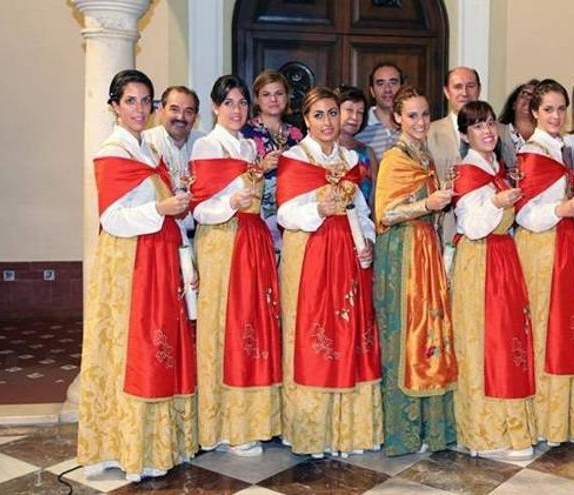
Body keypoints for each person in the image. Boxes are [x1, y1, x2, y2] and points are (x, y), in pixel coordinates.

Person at [77, 69, 197, 482]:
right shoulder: (113, 153)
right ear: (114, 105)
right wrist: (159, 211)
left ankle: (157, 445)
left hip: (157, 259)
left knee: (158, 348)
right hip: (131, 265)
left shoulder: (147, 149)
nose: (139, 109)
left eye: (146, 101)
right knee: (136, 352)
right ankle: (126, 447)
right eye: (131, 101)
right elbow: (112, 219)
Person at [276, 87, 382, 457]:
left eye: (333, 113)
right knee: (315, 336)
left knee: (351, 332)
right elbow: (286, 215)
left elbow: (363, 211)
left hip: (348, 255)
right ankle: (313, 432)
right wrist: (319, 209)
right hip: (311, 256)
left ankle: (349, 430)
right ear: (306, 119)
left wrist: (367, 241)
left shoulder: (351, 159)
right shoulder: (294, 159)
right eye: (319, 115)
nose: (327, 122)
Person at [189, 75, 282, 456]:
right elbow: (199, 208)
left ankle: (254, 420)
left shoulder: (247, 147)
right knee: (224, 329)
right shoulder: (207, 147)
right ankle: (225, 426)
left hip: (253, 242)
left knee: (254, 329)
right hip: (222, 245)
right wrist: (231, 202)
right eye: (229, 103)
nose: (237, 109)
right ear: (214, 107)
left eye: (242, 102)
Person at [373, 86, 457, 456]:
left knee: (431, 334)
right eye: (412, 116)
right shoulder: (395, 157)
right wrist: (427, 202)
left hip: (426, 247)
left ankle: (432, 428)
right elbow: (385, 214)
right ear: (397, 119)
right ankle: (404, 432)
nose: (420, 122)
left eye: (425, 115)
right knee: (409, 336)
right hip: (404, 251)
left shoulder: (423, 154)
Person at [451, 100, 537, 459]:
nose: (486, 131)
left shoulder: (499, 169)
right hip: (480, 259)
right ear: (465, 134)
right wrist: (498, 204)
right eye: (477, 126)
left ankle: (512, 427)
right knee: (486, 344)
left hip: (503, 256)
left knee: (508, 340)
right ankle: (485, 433)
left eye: (489, 124)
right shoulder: (467, 174)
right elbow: (470, 227)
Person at [514, 79, 574, 446]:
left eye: (562, 108)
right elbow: (526, 214)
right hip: (542, 247)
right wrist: (562, 209)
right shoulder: (533, 154)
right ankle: (546, 419)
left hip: (564, 242)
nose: (556, 115)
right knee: (547, 329)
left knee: (568, 325)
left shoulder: (564, 148)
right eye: (548, 109)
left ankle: (567, 420)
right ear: (534, 112)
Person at [428, 67, 516, 242]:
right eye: (458, 87)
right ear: (446, 91)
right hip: (445, 230)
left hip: (498, 229)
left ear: (479, 89)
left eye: (470, 86)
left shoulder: (502, 131)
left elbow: (512, 175)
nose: (464, 92)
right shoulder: (429, 132)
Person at [241, 70, 304, 252]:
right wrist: (261, 167)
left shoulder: (296, 134)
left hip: (291, 211)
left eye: (279, 93)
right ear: (256, 99)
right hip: (257, 212)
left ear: (287, 97)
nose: (273, 99)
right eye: (266, 94)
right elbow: (235, 176)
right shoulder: (245, 132)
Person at [143, 85, 204, 238]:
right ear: (160, 111)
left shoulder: (204, 144)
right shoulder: (146, 145)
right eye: (174, 109)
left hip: (198, 238)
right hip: (159, 237)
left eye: (188, 111)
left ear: (195, 117)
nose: (181, 117)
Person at [336, 85, 379, 206]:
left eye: (360, 112)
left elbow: (375, 197)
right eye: (349, 110)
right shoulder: (323, 149)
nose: (355, 117)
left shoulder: (368, 153)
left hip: (364, 222)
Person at [357, 62, 404, 161]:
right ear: (372, 91)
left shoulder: (414, 126)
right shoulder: (358, 126)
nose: (387, 89)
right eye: (380, 83)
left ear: (402, 88)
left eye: (393, 82)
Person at [498, 79, 538, 152]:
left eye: (535, 97)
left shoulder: (548, 142)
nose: (529, 99)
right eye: (524, 94)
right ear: (514, 104)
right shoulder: (496, 131)